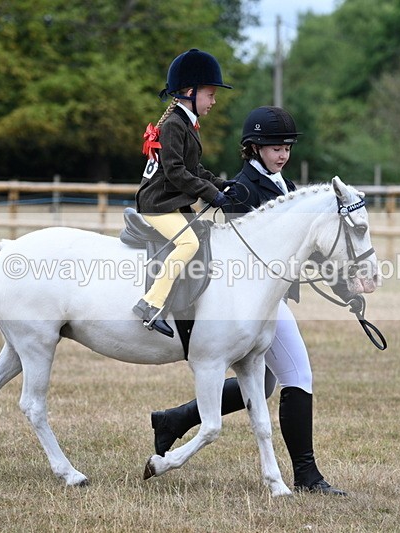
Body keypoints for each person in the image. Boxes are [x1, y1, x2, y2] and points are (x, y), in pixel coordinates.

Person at [149, 106, 350, 495]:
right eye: (275, 147)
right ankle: (307, 477)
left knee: (269, 381)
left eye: (287, 147)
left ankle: (174, 420)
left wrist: (342, 284)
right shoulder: (244, 189)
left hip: (270, 300)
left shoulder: (284, 186)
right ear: (253, 148)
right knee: (297, 377)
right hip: (251, 302)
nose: (283, 154)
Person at [134, 49, 235, 337]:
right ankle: (151, 305)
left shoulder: (186, 123)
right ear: (191, 92)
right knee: (188, 244)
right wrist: (210, 195)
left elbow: (194, 168)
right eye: (211, 94)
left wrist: (219, 185)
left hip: (172, 202)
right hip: (157, 204)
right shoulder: (174, 125)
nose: (214, 101)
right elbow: (177, 171)